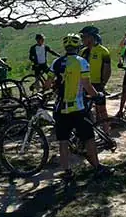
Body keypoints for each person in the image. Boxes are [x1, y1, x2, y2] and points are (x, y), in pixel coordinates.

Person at [44, 34, 109, 180]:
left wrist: (52, 86)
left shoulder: (56, 62)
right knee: (89, 138)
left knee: (63, 141)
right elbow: (87, 85)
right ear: (78, 46)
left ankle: (67, 172)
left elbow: (47, 84)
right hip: (78, 109)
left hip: (60, 109)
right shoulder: (82, 62)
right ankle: (97, 167)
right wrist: (96, 95)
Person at [79, 26, 111, 122]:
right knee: (85, 110)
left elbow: (107, 70)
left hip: (97, 84)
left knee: (101, 110)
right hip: (84, 84)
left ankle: (106, 133)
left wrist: (103, 84)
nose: (82, 39)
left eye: (84, 37)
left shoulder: (103, 51)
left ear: (91, 37)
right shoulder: (83, 51)